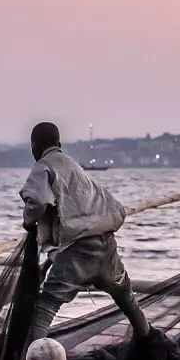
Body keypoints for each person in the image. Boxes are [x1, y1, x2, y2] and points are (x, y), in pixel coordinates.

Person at [21, 121, 153, 345]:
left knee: (46, 304)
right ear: (59, 144)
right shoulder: (73, 166)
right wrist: (49, 263)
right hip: (106, 244)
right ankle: (152, 345)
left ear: (34, 146)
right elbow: (95, 210)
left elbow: (39, 201)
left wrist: (28, 221)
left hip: (79, 251)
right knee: (126, 297)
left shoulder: (43, 166)